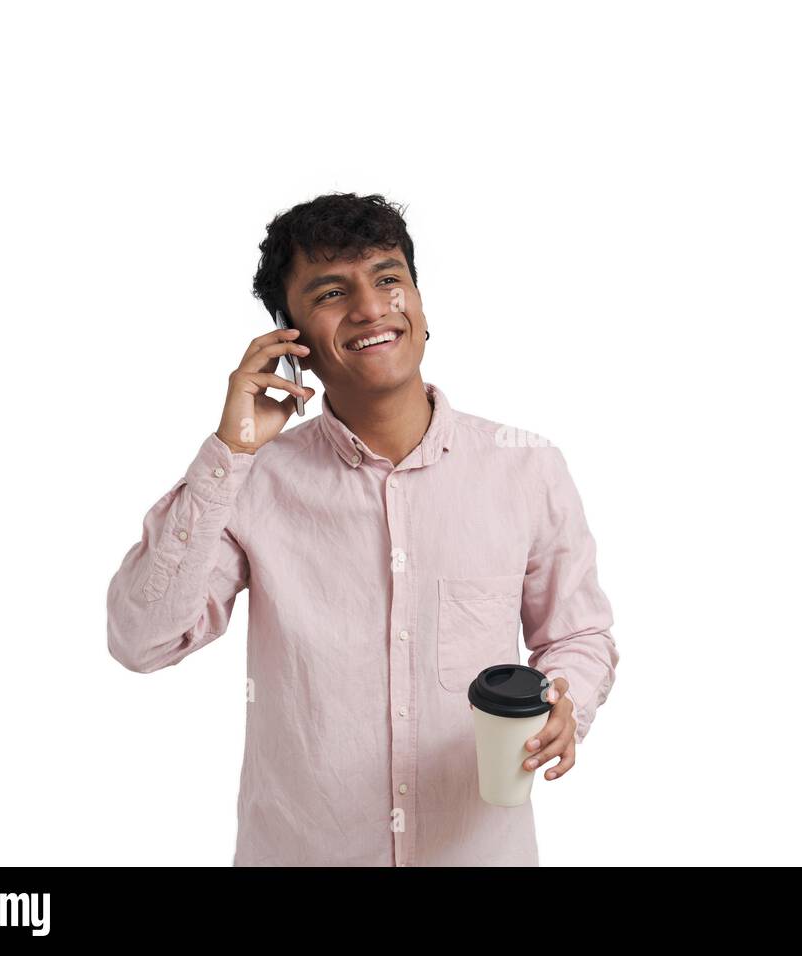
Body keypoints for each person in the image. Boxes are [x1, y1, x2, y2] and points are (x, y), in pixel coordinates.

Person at [105, 192, 619, 866]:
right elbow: (141, 641)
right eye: (331, 292)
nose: (372, 308)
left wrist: (563, 701)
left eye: (388, 279)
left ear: (421, 306)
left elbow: (578, 634)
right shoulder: (253, 481)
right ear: (291, 342)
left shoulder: (526, 467)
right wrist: (230, 450)